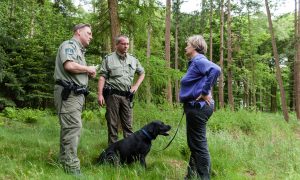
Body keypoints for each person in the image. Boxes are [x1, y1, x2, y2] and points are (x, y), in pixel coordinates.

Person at [53, 23, 96, 175]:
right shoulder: (69, 45)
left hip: (75, 95)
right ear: (78, 32)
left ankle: (63, 161)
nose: (91, 36)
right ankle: (72, 168)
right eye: (88, 33)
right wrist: (88, 69)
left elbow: (75, 70)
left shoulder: (79, 50)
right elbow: (69, 66)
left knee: (69, 129)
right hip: (68, 94)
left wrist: (87, 73)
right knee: (73, 128)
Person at [179, 35, 221, 180]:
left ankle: (204, 177)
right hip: (195, 107)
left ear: (195, 47)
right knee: (195, 144)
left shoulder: (199, 60)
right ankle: (190, 176)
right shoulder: (194, 63)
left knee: (199, 145)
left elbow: (216, 69)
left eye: (188, 44)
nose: (186, 47)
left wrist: (204, 92)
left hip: (198, 107)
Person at [98, 35, 145, 145]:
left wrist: (136, 86)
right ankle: (112, 153)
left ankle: (128, 152)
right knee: (112, 124)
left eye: (127, 44)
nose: (126, 46)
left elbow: (142, 73)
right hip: (112, 95)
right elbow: (102, 77)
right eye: (123, 43)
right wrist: (100, 94)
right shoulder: (108, 59)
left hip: (127, 96)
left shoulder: (133, 59)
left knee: (128, 126)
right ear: (117, 45)